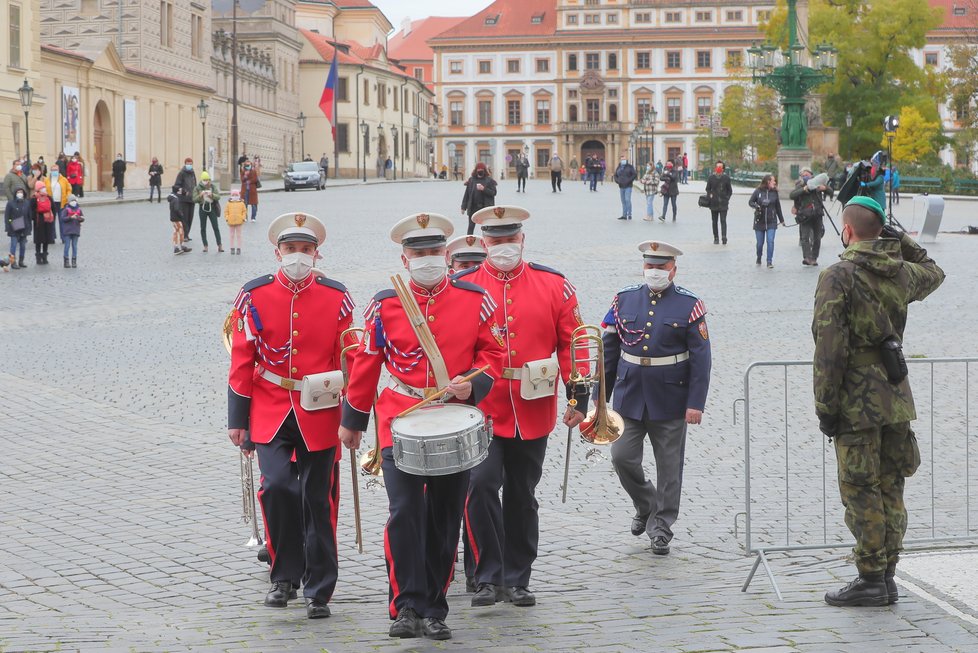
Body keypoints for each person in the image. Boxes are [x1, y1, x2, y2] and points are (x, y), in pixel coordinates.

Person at [338, 213, 503, 641]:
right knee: (405, 513)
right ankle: (405, 604)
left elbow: (494, 356)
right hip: (401, 419)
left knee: (446, 518)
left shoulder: (474, 298)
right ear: (404, 257)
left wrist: (473, 385)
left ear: (447, 256)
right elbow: (366, 364)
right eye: (418, 253)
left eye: (433, 252)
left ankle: (435, 606)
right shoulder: (385, 304)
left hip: (454, 420)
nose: (427, 259)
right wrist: (353, 420)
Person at [812, 196, 945, 607]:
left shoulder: (839, 275)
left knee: (860, 488)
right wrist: (899, 238)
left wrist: (825, 407)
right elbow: (934, 270)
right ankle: (886, 574)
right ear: (879, 231)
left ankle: (871, 577)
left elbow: (829, 350)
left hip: (855, 400)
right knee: (891, 485)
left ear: (847, 231)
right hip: (895, 395)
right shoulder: (901, 273)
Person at [460, 205, 589, 609]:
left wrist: (578, 394)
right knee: (480, 487)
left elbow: (574, 341)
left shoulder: (554, 285)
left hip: (532, 405)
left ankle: (517, 577)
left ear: (522, 240)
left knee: (521, 493)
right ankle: (485, 575)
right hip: (480, 407)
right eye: (495, 241)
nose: (503, 247)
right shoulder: (464, 287)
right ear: (483, 243)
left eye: (509, 240)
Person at [227, 211, 354, 620]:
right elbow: (242, 358)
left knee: (318, 501)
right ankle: (284, 576)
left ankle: (319, 589)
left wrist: (350, 415)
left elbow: (349, 361)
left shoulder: (337, 296)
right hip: (270, 406)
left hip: (320, 411)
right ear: (276, 251)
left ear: (316, 254)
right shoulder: (254, 294)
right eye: (290, 249)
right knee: (277, 487)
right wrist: (238, 418)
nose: (297, 256)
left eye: (305, 249)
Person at [599, 240, 712, 554]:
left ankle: (661, 528)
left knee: (668, 468)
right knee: (622, 457)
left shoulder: (690, 305)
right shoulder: (624, 300)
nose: (655, 271)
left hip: (670, 397)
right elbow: (609, 350)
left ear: (673, 269)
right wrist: (599, 395)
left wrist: (695, 403)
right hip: (628, 394)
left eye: (661, 267)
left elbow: (701, 359)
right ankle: (645, 503)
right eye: (650, 265)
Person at [790, 169, 830, 266]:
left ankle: (814, 257)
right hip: (805, 214)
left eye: (806, 175)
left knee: (817, 237)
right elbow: (792, 195)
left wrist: (824, 188)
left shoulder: (818, 183)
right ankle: (807, 257)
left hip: (817, 213)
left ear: (812, 175)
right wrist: (803, 190)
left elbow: (830, 191)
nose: (805, 177)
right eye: (803, 175)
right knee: (805, 237)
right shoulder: (801, 185)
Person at [748, 174, 785, 268]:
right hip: (759, 220)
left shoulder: (774, 192)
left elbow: (778, 207)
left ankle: (769, 261)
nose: (775, 182)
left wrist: (782, 220)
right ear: (768, 181)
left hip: (771, 221)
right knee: (760, 243)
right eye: (773, 181)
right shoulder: (758, 191)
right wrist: (757, 206)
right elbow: (751, 202)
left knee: (770, 241)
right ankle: (759, 256)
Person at [460, 162, 497, 236]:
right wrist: (463, 207)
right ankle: (469, 241)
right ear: (476, 170)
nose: (480, 172)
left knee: (486, 227)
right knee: (470, 227)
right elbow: (467, 194)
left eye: (481, 170)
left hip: (485, 208)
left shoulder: (489, 180)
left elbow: (493, 193)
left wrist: (484, 189)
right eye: (478, 170)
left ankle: (487, 241)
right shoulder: (471, 180)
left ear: (484, 171)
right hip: (473, 207)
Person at [194, 171, 223, 253]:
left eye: (208, 180)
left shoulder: (213, 187)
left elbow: (218, 196)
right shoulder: (197, 188)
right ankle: (205, 245)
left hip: (212, 208)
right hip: (202, 208)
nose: (206, 181)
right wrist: (200, 195)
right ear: (202, 180)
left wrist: (212, 195)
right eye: (205, 180)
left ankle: (219, 245)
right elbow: (194, 199)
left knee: (215, 227)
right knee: (203, 228)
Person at [705, 161, 733, 244]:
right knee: (714, 221)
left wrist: (727, 198)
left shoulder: (726, 178)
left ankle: (724, 237)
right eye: (717, 166)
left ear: (723, 169)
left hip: (723, 203)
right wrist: (710, 194)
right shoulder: (711, 178)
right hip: (714, 203)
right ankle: (716, 237)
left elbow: (730, 190)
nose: (718, 168)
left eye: (720, 167)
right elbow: (707, 189)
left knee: (723, 220)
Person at [4, 184, 31, 269]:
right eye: (18, 192)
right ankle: (13, 262)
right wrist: (9, 225)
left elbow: (29, 216)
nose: (20, 193)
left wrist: (29, 227)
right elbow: (7, 217)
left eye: (21, 192)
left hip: (24, 228)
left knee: (23, 246)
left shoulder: (27, 203)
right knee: (14, 245)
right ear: (15, 193)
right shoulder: (10, 203)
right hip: (14, 228)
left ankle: (21, 261)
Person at [31, 182, 57, 265]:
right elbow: (31, 210)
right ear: (38, 189)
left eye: (44, 187)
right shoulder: (34, 198)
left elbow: (53, 209)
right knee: (38, 240)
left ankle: (45, 257)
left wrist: (52, 218)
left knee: (46, 239)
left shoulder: (48, 197)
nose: (44, 189)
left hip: (47, 221)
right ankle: (38, 257)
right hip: (38, 221)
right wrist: (35, 218)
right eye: (42, 188)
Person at [174, 158, 197, 239]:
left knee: (190, 218)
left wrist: (196, 194)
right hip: (184, 199)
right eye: (188, 164)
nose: (189, 165)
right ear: (185, 164)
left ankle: (187, 234)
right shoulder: (181, 173)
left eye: (191, 164)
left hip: (192, 199)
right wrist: (184, 191)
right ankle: (184, 235)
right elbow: (176, 186)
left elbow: (195, 185)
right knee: (184, 218)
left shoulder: (193, 173)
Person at [59, 194, 83, 268]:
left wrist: (79, 218)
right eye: (72, 200)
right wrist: (70, 217)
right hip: (67, 231)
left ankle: (74, 261)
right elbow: (62, 219)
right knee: (67, 246)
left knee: (74, 246)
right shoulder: (66, 209)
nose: (74, 202)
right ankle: (66, 261)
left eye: (74, 200)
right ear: (69, 202)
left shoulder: (79, 209)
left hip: (76, 230)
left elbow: (82, 218)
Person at [168, 185, 191, 255]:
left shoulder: (172, 197)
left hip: (173, 218)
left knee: (176, 232)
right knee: (181, 232)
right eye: (180, 190)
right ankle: (179, 247)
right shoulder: (176, 199)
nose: (181, 191)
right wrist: (181, 214)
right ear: (178, 191)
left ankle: (178, 247)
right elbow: (176, 209)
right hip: (177, 218)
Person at [613, 155, 637, 220]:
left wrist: (629, 180)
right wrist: (617, 181)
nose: (623, 160)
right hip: (621, 186)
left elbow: (634, 174)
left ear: (626, 160)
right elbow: (615, 175)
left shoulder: (630, 166)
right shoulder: (619, 167)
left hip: (628, 186)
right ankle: (624, 215)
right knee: (623, 201)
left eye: (624, 159)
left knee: (627, 200)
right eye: (622, 159)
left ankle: (629, 214)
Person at [224, 188, 247, 255]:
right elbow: (226, 212)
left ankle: (239, 248)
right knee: (231, 235)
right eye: (233, 195)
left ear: (238, 195)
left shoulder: (242, 203)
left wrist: (243, 218)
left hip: (239, 221)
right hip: (231, 221)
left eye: (236, 195)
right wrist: (227, 218)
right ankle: (232, 248)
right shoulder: (228, 203)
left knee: (239, 235)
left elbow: (244, 211)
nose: (235, 196)